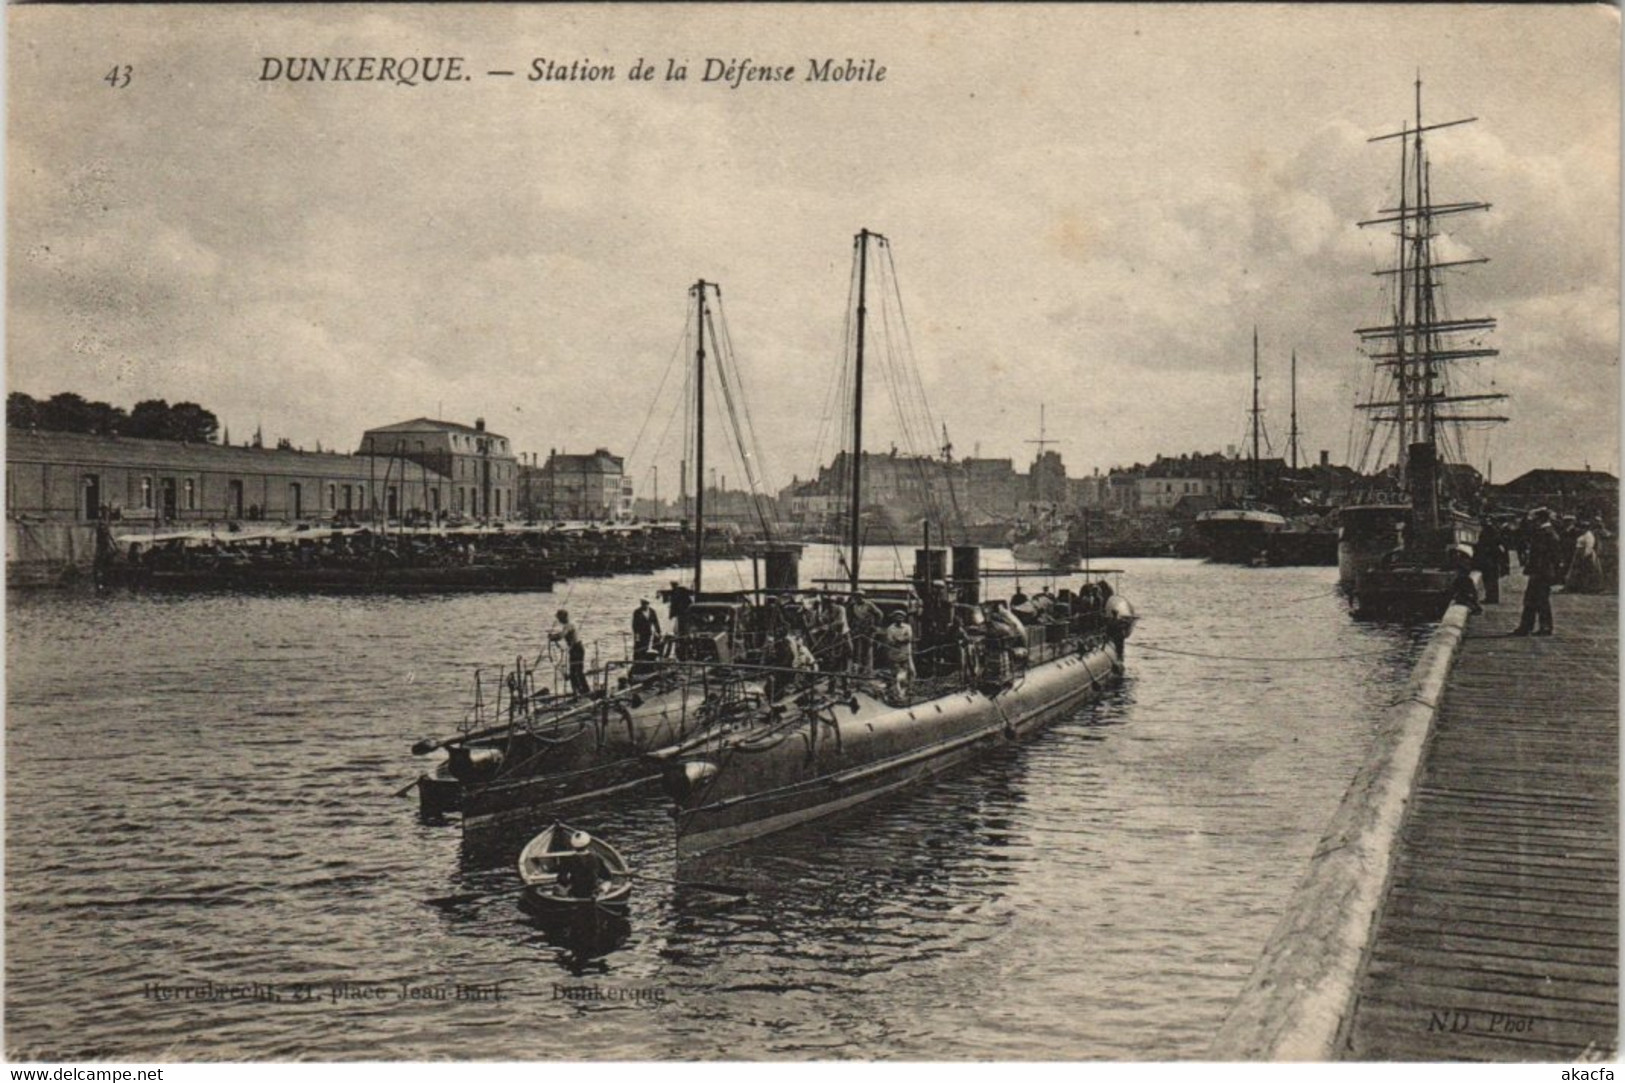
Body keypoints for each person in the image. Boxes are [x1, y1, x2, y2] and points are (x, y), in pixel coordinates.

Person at [1512, 508, 1561, 637]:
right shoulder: (1547, 532)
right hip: (1541, 571)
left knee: (1539, 600)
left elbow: (1545, 556)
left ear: (1541, 519)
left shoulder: (1546, 533)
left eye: (1536, 520)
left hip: (1541, 572)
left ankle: (1539, 627)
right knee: (1533, 599)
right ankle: (1529, 626)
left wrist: (1535, 570)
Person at [556, 830, 610, 899]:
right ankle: (598, 894)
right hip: (592, 890)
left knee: (557, 887)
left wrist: (568, 883)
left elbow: (561, 879)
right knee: (608, 882)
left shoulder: (568, 860)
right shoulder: (596, 858)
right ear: (588, 844)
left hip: (576, 892)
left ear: (573, 846)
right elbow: (606, 876)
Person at [549, 609, 591, 695]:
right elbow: (561, 634)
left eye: (559, 618)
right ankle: (580, 690)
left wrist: (552, 637)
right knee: (576, 671)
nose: (559, 620)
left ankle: (582, 691)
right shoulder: (570, 624)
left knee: (576, 672)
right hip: (575, 649)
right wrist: (553, 636)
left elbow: (561, 636)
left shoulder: (568, 625)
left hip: (577, 649)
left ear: (563, 617)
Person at [1565, 520, 1605, 594]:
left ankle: (1589, 588)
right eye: (1581, 528)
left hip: (1585, 553)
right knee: (1577, 570)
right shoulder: (1582, 535)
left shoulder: (1589, 535)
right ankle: (1576, 587)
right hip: (1578, 553)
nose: (1582, 529)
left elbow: (1589, 546)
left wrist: (1586, 554)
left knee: (1587, 570)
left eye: (1583, 528)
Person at [883, 611, 915, 700]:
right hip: (895, 655)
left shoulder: (907, 627)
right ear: (893, 619)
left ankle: (910, 690)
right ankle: (898, 694)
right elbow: (891, 641)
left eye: (901, 617)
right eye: (897, 617)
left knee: (912, 672)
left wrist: (898, 640)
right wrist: (902, 639)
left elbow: (908, 639)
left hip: (906, 653)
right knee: (896, 676)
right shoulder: (890, 629)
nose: (899, 619)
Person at [1473, 518, 1505, 604]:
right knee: (1492, 579)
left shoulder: (1487, 532)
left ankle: (1491, 598)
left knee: (1489, 579)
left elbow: (1483, 545)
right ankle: (1493, 597)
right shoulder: (1494, 532)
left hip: (1488, 559)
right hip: (1492, 559)